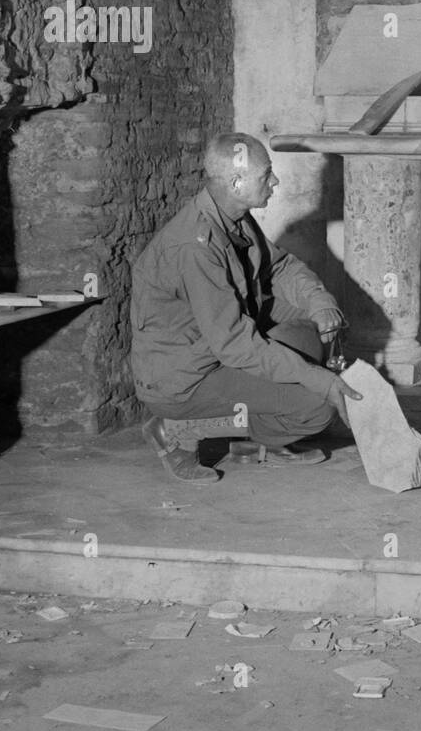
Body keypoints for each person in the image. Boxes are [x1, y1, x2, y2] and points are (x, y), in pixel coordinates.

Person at [130, 132, 359, 482]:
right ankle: (176, 430)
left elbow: (279, 267)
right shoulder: (194, 247)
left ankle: (263, 438)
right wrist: (320, 380)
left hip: (214, 352)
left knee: (308, 333)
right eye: (267, 175)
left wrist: (319, 303)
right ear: (236, 183)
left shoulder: (234, 217)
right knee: (318, 406)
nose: (275, 181)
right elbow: (236, 345)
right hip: (183, 380)